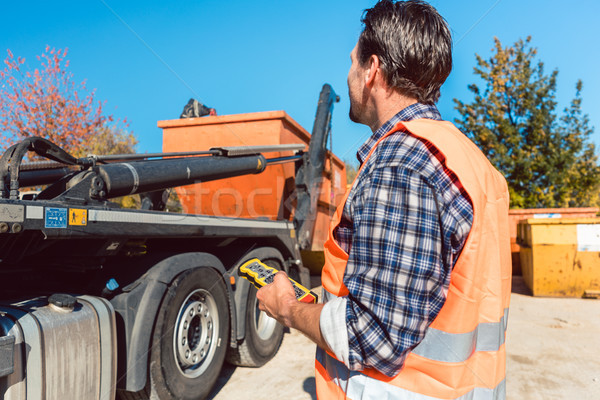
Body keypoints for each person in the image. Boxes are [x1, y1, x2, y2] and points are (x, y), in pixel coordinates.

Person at [256, 1, 511, 399]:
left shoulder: (401, 163)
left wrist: (287, 307)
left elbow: (371, 336)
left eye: (352, 62)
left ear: (372, 69)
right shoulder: (473, 162)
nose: (349, 74)